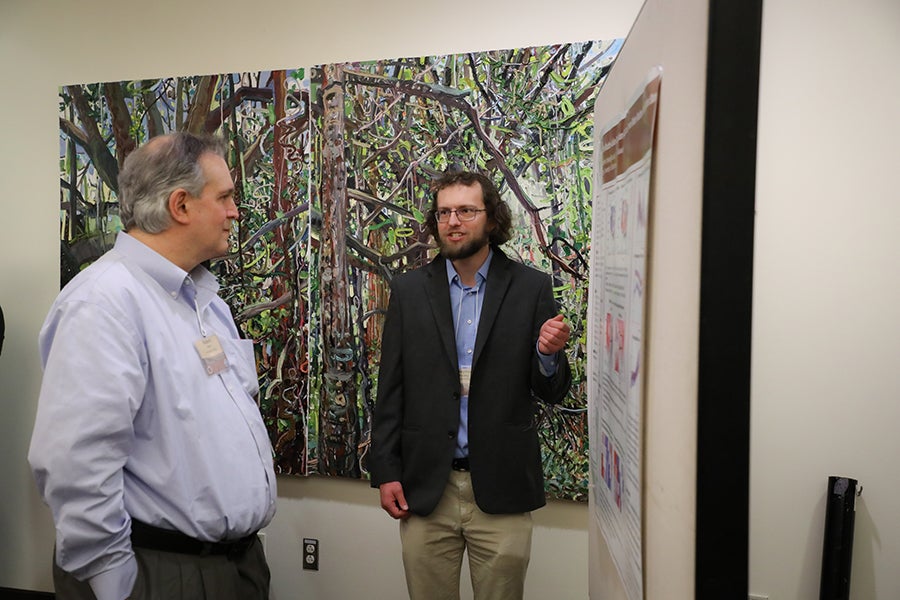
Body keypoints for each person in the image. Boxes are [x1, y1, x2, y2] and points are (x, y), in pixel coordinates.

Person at [28, 132, 277, 600]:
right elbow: (76, 465)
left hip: (232, 567)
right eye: (224, 197)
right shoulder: (103, 302)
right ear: (181, 205)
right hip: (160, 574)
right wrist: (116, 583)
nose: (235, 211)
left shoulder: (206, 302)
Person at [370, 170, 572, 600]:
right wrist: (386, 471)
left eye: (465, 210)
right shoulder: (408, 291)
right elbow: (391, 389)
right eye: (444, 212)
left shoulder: (530, 288)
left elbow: (551, 391)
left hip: (501, 487)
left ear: (492, 220)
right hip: (427, 487)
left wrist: (548, 355)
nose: (453, 221)